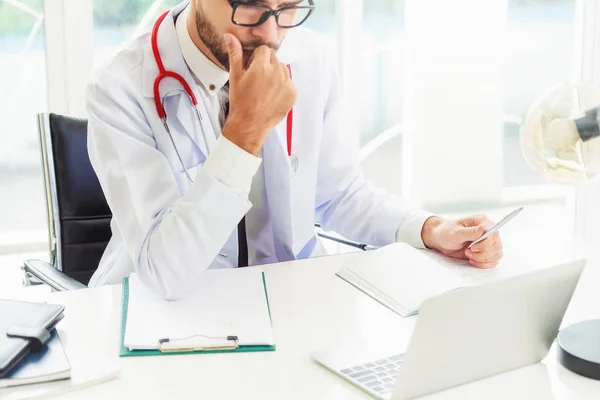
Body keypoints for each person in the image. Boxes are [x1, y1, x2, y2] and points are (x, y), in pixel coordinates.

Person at [85, 0, 503, 299]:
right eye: (249, 5)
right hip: (168, 318)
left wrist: (429, 229)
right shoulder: (121, 87)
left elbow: (338, 194)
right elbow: (166, 271)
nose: (270, 34)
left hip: (290, 301)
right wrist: (243, 133)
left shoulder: (312, 57)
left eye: (287, 7)